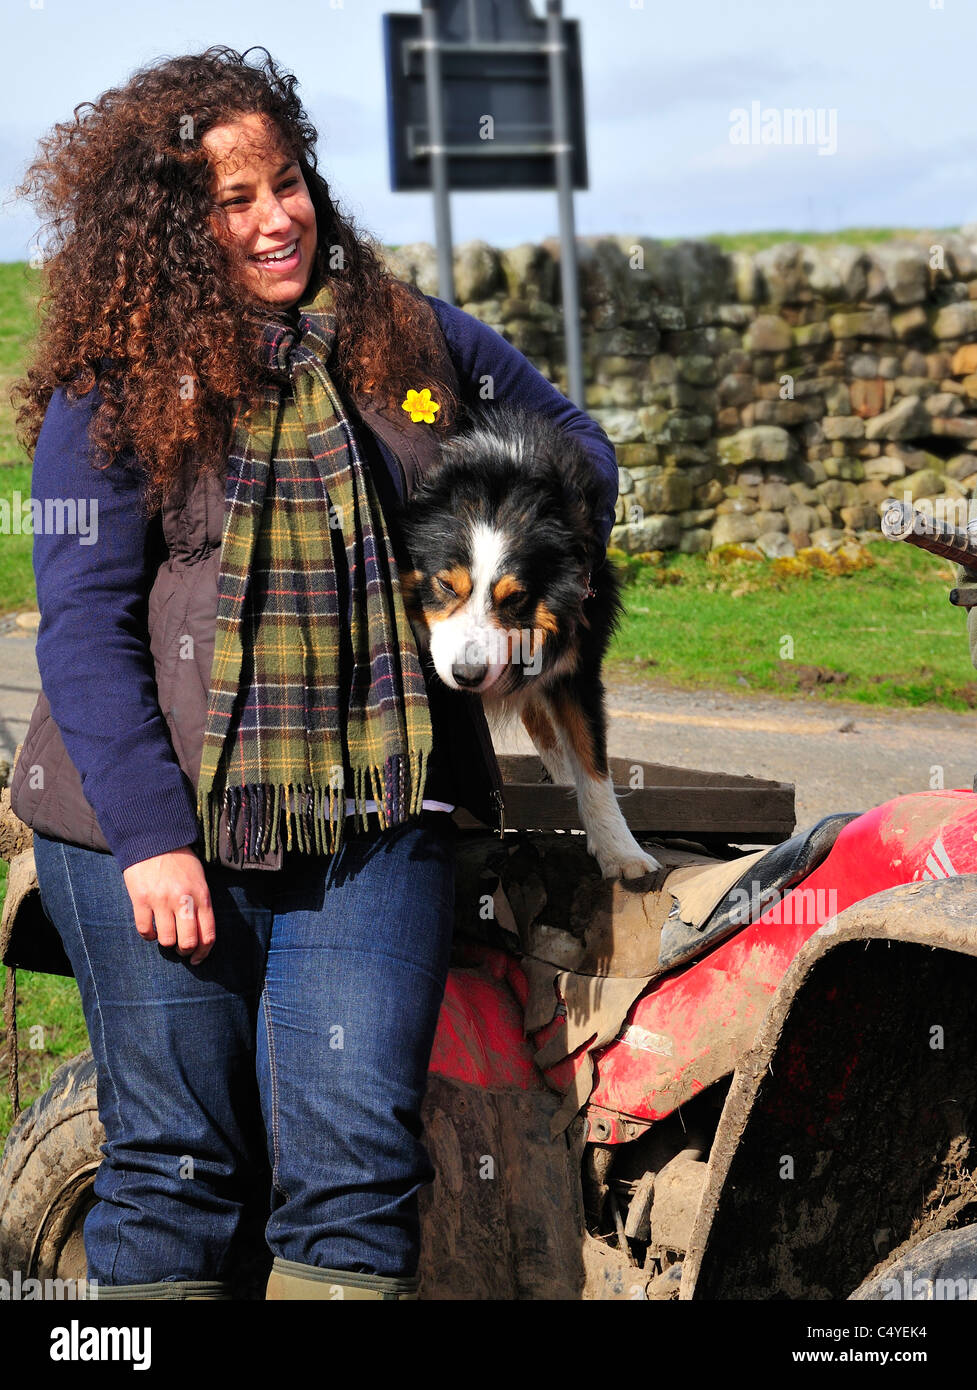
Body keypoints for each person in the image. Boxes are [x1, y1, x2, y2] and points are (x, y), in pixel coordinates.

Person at [10, 45, 620, 1300]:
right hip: (147, 823)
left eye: (285, 183)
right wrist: (149, 839)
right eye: (233, 202)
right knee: (177, 1163)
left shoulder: (414, 340)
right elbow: (77, 624)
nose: (277, 217)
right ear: (172, 230)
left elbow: (579, 453)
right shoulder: (106, 392)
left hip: (374, 816)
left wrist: (513, 553)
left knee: (352, 1171)